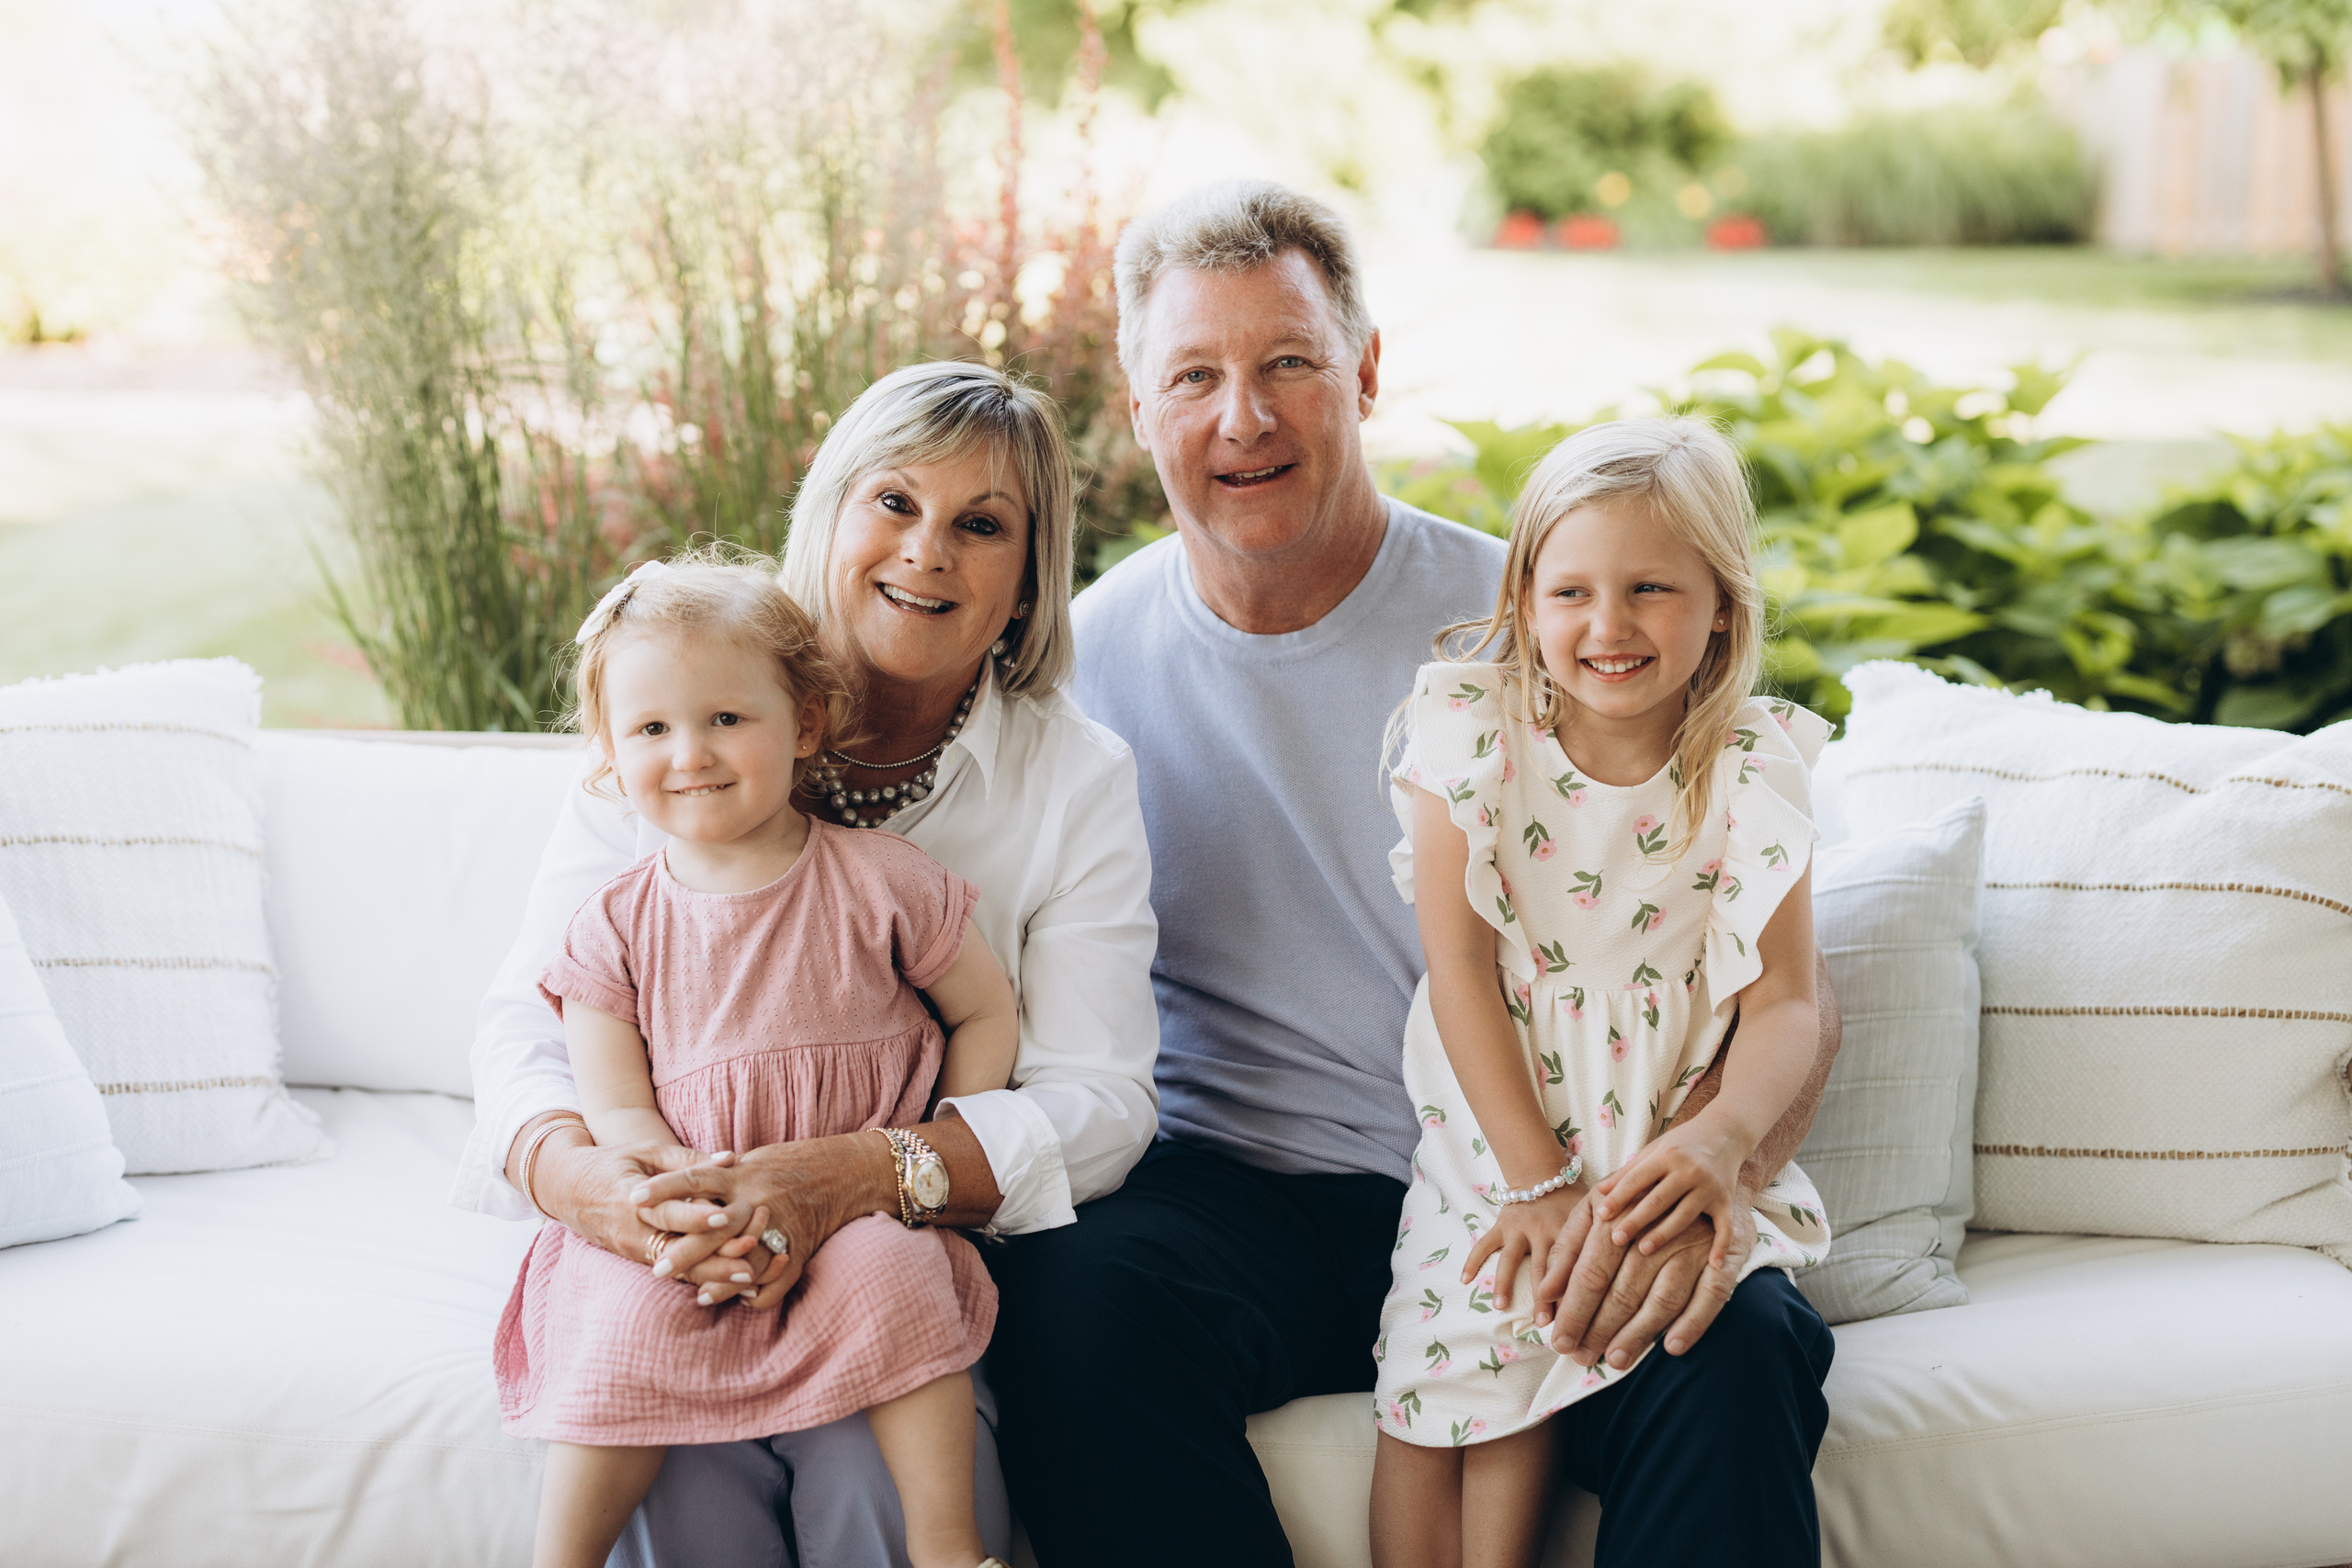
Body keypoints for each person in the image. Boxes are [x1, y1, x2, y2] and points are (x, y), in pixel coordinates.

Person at [993, 179, 1839, 1566]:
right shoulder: (1084, 665)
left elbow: (1771, 971)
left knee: (1735, 1337)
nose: (1243, 418)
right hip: (1233, 1194)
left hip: (1559, 1163)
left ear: (1367, 371)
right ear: (1139, 409)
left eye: (1288, 365)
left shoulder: (1537, 627)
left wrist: (1706, 1169)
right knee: (1071, 1296)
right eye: (1193, 377)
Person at [453, 361, 1160, 1568]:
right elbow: (533, 1026)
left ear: (1026, 582)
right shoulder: (673, 717)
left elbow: (1103, 1097)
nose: (926, 550)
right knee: (665, 1453)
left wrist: (871, 1169)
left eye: (980, 524)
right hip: (677, 1223)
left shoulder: (1074, 779)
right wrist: (608, 1189)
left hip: (883, 1236)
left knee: (878, 1472)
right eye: (892, 501)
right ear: (827, 512)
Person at [1367, 419, 1833, 1568]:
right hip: (1499, 1145)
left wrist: (1721, 1142)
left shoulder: (1748, 767)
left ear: (1721, 602)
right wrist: (1534, 1181)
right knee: (1448, 1385)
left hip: (1665, 1158)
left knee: (1566, 1370)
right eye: (1570, 590)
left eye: (1651, 589)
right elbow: (1460, 973)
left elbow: (1786, 1002)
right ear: (1524, 599)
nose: (1608, 625)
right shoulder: (1470, 741)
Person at [498, 554, 1019, 1568]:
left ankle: (946, 1545)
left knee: (896, 1275)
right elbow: (615, 1103)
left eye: (725, 719)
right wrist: (685, 1210)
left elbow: (985, 1009)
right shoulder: (610, 925)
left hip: (856, 1200)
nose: (689, 752)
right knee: (622, 1313)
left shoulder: (881, 881)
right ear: (608, 752)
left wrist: (939, 1135)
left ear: (805, 724)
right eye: (651, 729)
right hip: (690, 1208)